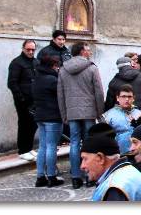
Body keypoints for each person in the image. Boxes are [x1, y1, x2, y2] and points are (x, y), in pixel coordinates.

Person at [57, 41, 106, 189]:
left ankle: (75, 177)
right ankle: (89, 176)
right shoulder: (91, 68)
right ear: (82, 52)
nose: (89, 52)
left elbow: (60, 94)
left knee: (73, 143)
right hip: (89, 111)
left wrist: (63, 113)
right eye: (87, 50)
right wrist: (99, 111)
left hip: (72, 111)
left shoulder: (63, 70)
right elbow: (99, 92)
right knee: (89, 143)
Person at [79, 123, 141, 201]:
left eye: (85, 159)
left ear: (101, 158)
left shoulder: (115, 189)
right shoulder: (126, 171)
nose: (82, 166)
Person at [32, 54, 63, 187]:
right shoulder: (52, 80)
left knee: (42, 147)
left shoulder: (36, 79)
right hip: (52, 116)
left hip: (40, 116)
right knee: (51, 146)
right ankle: (51, 176)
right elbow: (60, 97)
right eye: (56, 65)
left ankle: (40, 176)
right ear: (53, 65)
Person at [8, 39, 39, 161]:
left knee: (33, 124)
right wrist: (21, 98)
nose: (31, 52)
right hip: (23, 101)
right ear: (23, 49)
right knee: (24, 124)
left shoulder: (36, 62)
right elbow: (12, 83)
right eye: (28, 49)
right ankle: (23, 150)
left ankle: (29, 148)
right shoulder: (16, 63)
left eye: (33, 50)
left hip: (35, 99)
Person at [101, 85, 141, 154]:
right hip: (118, 154)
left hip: (138, 154)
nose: (127, 99)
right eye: (123, 96)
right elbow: (103, 138)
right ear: (117, 98)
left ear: (133, 98)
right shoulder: (107, 116)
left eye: (129, 97)